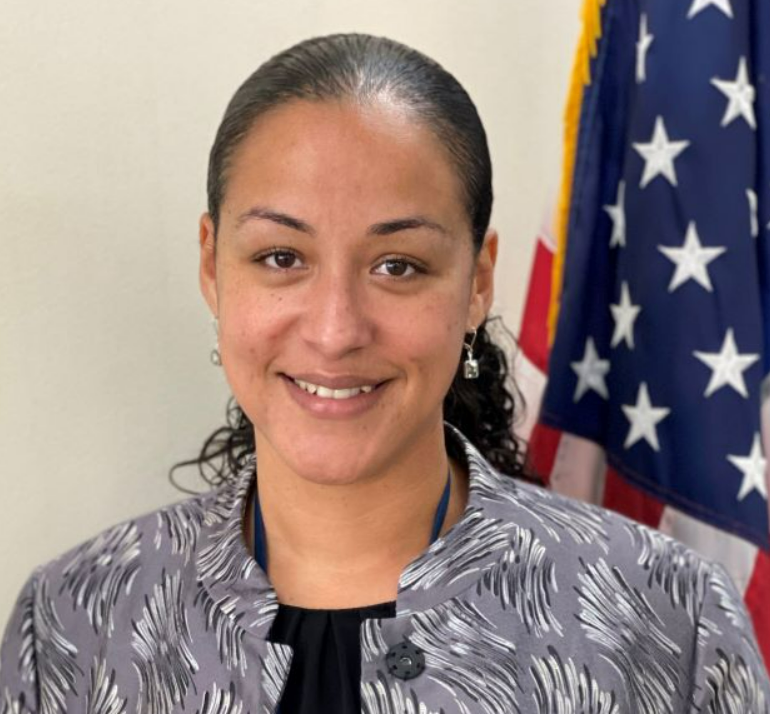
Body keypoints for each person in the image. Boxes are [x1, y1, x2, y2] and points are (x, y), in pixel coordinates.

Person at [1, 32, 768, 714]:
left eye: (398, 265)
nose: (335, 331)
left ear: (477, 281)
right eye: (281, 258)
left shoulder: (668, 617)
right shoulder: (74, 619)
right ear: (212, 265)